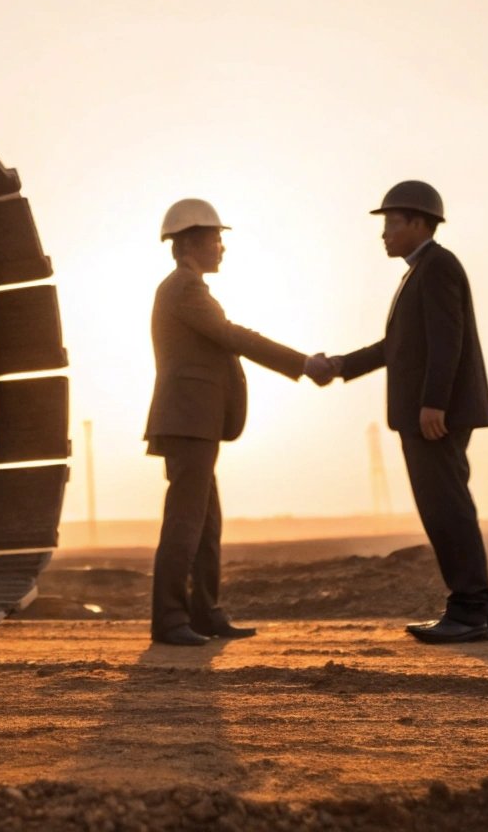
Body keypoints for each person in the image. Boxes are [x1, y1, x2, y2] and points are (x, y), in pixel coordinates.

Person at [309, 181, 488, 644]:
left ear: (418, 223)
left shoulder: (437, 267)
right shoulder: (420, 271)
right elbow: (397, 347)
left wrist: (433, 402)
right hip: (428, 413)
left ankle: (471, 610)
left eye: (391, 224)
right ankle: (476, 610)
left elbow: (447, 340)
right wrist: (340, 366)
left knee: (447, 509)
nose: (384, 234)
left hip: (434, 415)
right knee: (444, 508)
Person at [145, 198, 310, 647]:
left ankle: (203, 613)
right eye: (216, 239)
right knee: (185, 522)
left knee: (205, 523)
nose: (222, 248)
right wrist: (302, 363)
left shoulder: (189, 288)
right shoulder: (184, 289)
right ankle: (171, 620)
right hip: (187, 421)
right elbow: (232, 336)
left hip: (196, 422)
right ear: (190, 242)